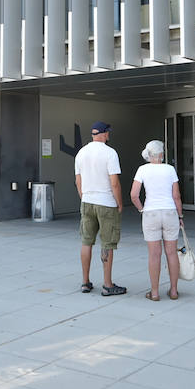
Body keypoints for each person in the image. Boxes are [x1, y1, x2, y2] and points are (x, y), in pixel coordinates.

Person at [75, 121, 125, 296]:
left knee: (86, 241)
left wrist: (85, 197)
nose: (109, 136)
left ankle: (85, 282)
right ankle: (107, 284)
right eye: (108, 133)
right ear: (103, 134)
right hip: (106, 202)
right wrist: (119, 202)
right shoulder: (110, 153)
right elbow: (114, 183)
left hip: (87, 201)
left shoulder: (81, 153)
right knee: (107, 242)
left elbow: (78, 181)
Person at [130, 140, 183, 301]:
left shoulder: (142, 170)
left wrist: (141, 210)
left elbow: (134, 195)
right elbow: (176, 196)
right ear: (161, 154)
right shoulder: (170, 169)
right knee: (172, 253)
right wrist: (180, 216)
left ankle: (154, 292)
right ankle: (173, 291)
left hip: (151, 213)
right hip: (169, 213)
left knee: (154, 255)